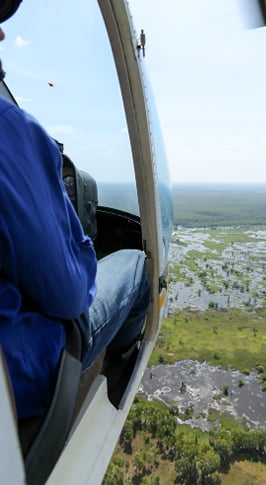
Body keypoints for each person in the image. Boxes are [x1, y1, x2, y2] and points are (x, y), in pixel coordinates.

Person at [0, 1, 151, 420]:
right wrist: (79, 244)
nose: (2, 35)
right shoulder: (10, 129)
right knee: (137, 264)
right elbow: (70, 295)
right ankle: (112, 371)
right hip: (19, 377)